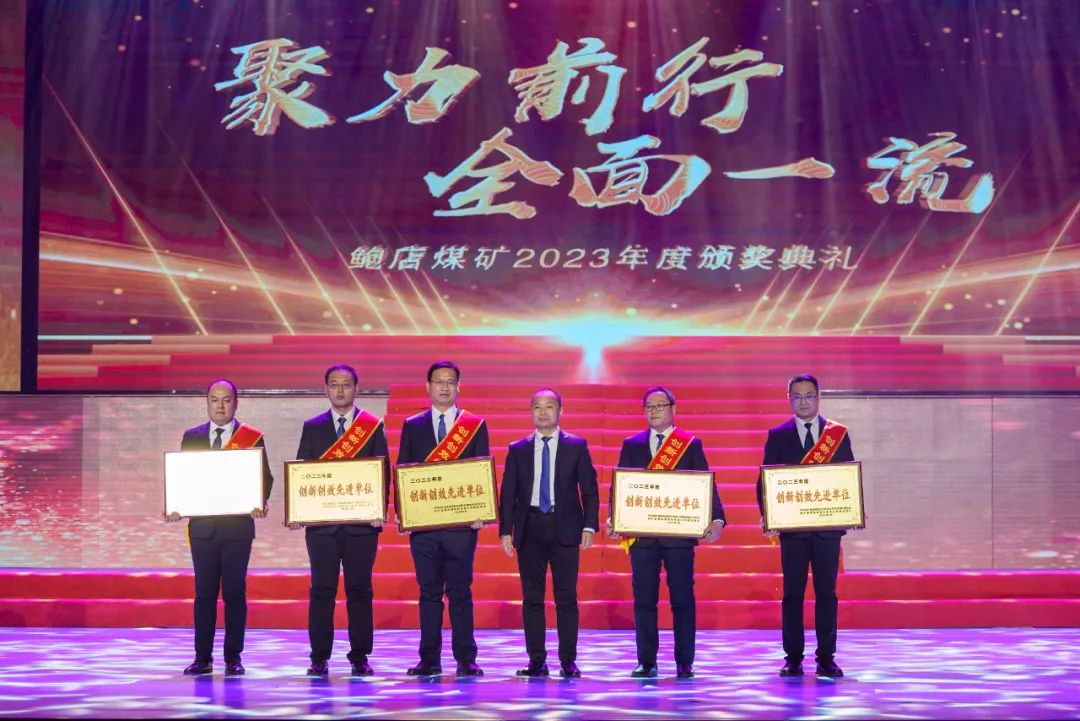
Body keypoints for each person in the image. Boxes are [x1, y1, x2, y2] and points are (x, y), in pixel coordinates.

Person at [607, 386, 726, 679]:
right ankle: (646, 661)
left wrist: (717, 519)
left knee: (682, 599)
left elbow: (705, 485)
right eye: (649, 406)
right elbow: (620, 486)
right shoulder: (632, 445)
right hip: (642, 536)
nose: (654, 411)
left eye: (660, 405)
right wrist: (614, 518)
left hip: (679, 536)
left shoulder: (689, 444)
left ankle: (684, 661)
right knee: (644, 600)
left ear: (674, 408)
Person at [168, 378, 273, 676]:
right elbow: (184, 478)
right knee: (204, 593)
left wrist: (259, 500)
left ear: (236, 403)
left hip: (237, 529)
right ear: (207, 403)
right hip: (203, 529)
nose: (220, 406)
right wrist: (176, 504)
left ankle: (233, 658)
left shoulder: (251, 437)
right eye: (214, 400)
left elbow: (265, 477)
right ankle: (202, 658)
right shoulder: (192, 437)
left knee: (235, 593)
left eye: (227, 400)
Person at [291, 364, 390, 677]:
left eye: (346, 385)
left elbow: (383, 472)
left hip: (361, 527)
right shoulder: (313, 427)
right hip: (322, 527)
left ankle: (360, 656)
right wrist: (298, 510)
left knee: (359, 591)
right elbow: (303, 471)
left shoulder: (371, 426)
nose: (340, 390)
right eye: (334, 385)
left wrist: (380, 508)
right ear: (326, 389)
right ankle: (319, 657)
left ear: (356, 389)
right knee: (322, 591)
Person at [756, 373, 855, 679]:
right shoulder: (778, 435)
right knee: (792, 594)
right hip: (793, 530)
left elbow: (847, 477)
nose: (803, 402)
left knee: (827, 594)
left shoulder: (837, 434)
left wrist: (852, 509)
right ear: (789, 399)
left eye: (809, 395)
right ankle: (793, 658)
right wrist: (768, 514)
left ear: (818, 397)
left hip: (827, 530)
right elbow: (765, 481)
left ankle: (826, 657)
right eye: (797, 396)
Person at [396, 361, 490, 677]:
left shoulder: (474, 425)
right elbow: (403, 470)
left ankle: (466, 659)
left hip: (460, 527)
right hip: (424, 527)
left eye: (451, 382)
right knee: (429, 593)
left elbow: (481, 471)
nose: (445, 387)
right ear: (428, 386)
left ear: (459, 386)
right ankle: (429, 659)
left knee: (460, 592)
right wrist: (404, 512)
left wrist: (482, 509)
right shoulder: (413, 425)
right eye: (439, 381)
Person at [498, 388, 599, 678]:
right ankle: (537, 660)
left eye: (549, 406)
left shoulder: (576, 445)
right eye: (537, 407)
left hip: (564, 527)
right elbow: (508, 494)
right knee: (532, 598)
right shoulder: (518, 449)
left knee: (566, 597)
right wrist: (506, 531)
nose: (543, 412)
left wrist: (589, 525)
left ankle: (568, 660)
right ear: (531, 412)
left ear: (560, 411)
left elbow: (589, 490)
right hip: (529, 528)